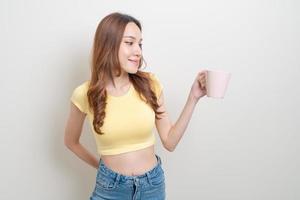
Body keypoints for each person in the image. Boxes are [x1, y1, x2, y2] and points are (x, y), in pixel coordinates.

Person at [64, 12, 207, 200]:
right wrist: (102, 168)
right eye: (130, 42)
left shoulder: (150, 84)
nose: (138, 51)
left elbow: (170, 142)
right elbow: (71, 142)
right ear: (108, 44)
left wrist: (193, 98)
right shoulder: (85, 94)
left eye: (140, 44)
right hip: (109, 190)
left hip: (152, 187)